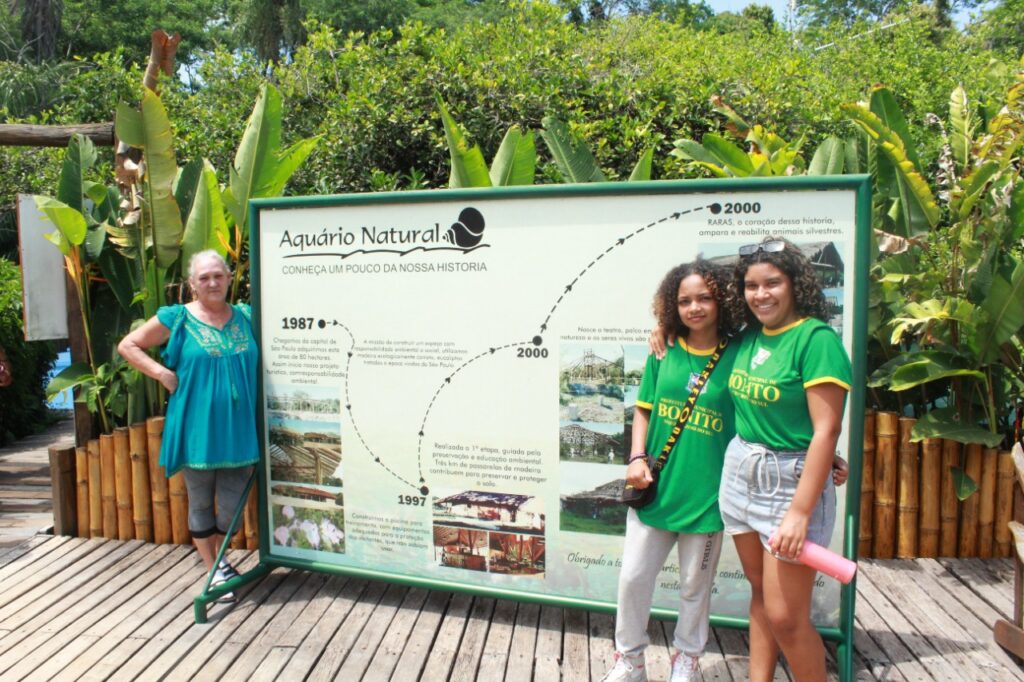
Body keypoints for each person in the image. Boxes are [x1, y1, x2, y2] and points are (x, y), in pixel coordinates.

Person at [719, 237, 851, 682]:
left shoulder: (816, 339)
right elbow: (691, 330)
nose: (761, 294)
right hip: (740, 475)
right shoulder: (748, 336)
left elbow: (825, 429)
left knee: (788, 618)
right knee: (760, 595)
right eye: (752, 286)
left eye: (772, 283)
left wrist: (800, 513)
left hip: (788, 487)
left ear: (795, 284)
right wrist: (662, 330)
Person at [602, 259, 740, 682]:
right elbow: (643, 408)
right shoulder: (664, 348)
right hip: (656, 488)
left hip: (707, 496)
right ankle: (631, 661)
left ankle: (687, 659)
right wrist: (636, 457)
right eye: (684, 300)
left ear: (722, 301)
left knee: (694, 587)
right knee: (632, 578)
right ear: (671, 306)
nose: (694, 307)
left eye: (704, 298)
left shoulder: (741, 352)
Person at [118, 250, 259, 602]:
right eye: (204, 278)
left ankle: (219, 561)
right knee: (199, 501)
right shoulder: (177, 318)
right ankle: (214, 567)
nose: (212, 282)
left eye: (218, 276)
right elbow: (129, 344)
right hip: (196, 428)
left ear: (229, 278)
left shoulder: (247, 316)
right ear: (192, 284)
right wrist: (161, 373)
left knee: (232, 506)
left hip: (240, 429)